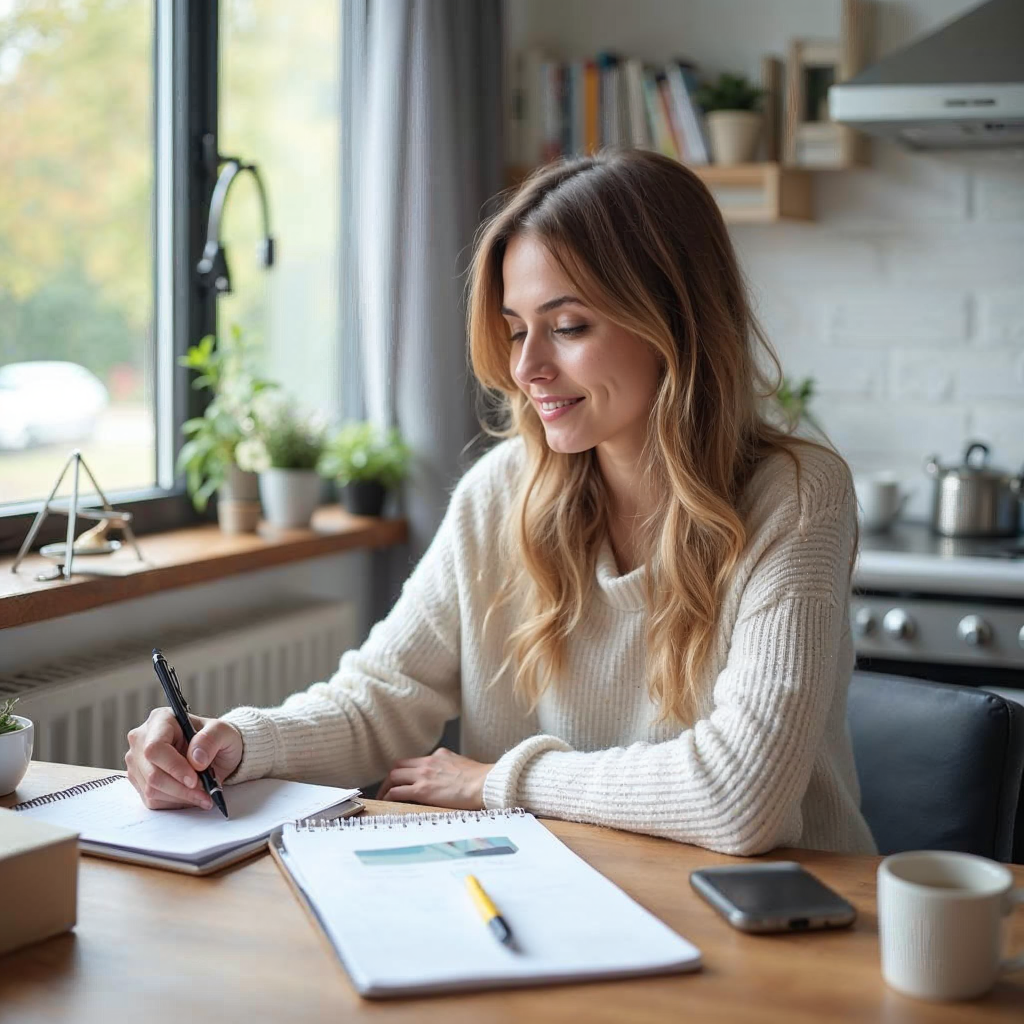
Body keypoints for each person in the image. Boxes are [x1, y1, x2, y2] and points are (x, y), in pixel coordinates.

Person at [125, 150, 876, 856]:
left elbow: (743, 796)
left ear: (674, 320)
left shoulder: (798, 497)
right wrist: (238, 742)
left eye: (569, 326)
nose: (526, 367)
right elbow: (381, 698)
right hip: (568, 889)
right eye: (516, 331)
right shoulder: (501, 493)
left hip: (782, 920)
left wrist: (494, 783)